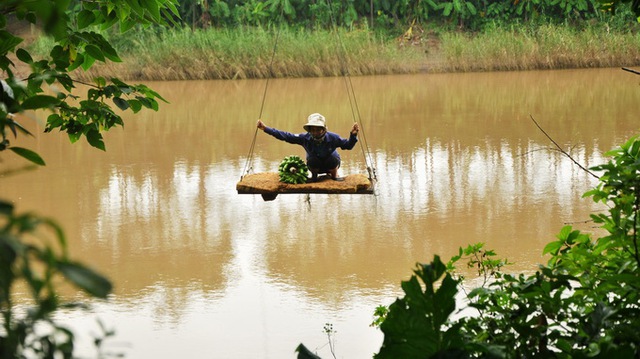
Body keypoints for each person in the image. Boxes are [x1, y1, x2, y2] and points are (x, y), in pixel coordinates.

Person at [257, 113, 360, 182]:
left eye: (318, 130)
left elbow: (348, 146)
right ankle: (314, 177)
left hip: (331, 165)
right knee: (312, 160)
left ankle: (334, 176)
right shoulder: (304, 138)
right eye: (313, 130)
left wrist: (353, 135)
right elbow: (286, 136)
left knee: (332, 159)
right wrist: (265, 128)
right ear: (309, 130)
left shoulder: (333, 138)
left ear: (324, 130)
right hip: (315, 165)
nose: (315, 133)